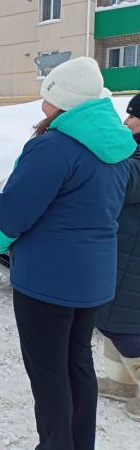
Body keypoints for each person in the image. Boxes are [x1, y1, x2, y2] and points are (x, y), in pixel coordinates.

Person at [0, 57, 136, 448]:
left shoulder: (54, 147)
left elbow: (12, 211)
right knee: (76, 364)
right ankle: (77, 442)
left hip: (47, 281)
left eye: (47, 97)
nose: (41, 106)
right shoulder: (117, 146)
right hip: (93, 279)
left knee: (49, 372)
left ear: (65, 101)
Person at [95, 92, 140, 422]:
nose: (126, 122)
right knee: (111, 321)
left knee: (128, 326)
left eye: (132, 116)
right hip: (122, 249)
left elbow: (125, 183)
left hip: (133, 256)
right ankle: (121, 382)